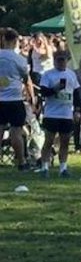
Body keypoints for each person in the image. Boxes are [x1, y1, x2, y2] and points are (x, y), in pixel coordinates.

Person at [36, 47, 80, 177]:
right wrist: (54, 89)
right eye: (59, 60)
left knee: (65, 141)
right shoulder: (48, 74)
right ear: (54, 60)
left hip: (66, 113)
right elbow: (43, 92)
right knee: (49, 141)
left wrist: (77, 110)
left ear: (67, 61)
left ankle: (63, 168)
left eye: (63, 60)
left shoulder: (71, 74)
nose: (61, 63)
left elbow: (77, 93)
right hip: (52, 113)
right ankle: (44, 167)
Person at [0, 27, 34, 171]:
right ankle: (21, 161)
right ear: (15, 41)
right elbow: (27, 80)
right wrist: (32, 97)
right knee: (16, 132)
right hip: (14, 99)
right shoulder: (20, 59)